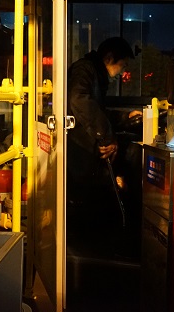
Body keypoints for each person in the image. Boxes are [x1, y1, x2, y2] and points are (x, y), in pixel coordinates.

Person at [66, 37, 142, 247]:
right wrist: (108, 137)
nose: (122, 71)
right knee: (131, 154)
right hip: (79, 147)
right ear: (109, 58)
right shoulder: (84, 70)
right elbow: (79, 100)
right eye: (122, 65)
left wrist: (125, 117)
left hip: (87, 144)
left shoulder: (96, 74)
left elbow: (99, 111)